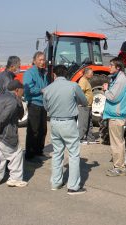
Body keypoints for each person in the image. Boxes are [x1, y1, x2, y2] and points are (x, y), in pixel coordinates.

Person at [43, 65, 88, 195]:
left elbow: (46, 107)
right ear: (66, 74)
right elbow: (84, 101)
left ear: (54, 75)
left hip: (54, 122)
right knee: (73, 154)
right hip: (68, 122)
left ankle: (56, 183)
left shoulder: (47, 89)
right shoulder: (73, 86)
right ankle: (73, 186)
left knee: (57, 153)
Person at [102, 57, 126, 177]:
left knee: (116, 143)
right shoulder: (119, 78)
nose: (109, 67)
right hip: (116, 115)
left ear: (118, 67)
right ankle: (120, 166)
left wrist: (105, 90)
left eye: (111, 65)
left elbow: (113, 97)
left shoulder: (120, 80)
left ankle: (119, 168)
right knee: (119, 141)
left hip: (116, 116)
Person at [23, 52, 49, 159]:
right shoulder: (30, 73)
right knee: (33, 130)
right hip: (34, 104)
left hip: (43, 105)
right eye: (40, 60)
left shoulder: (44, 73)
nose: (42, 62)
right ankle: (30, 154)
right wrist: (41, 90)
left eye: (44, 60)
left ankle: (39, 150)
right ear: (34, 60)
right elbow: (28, 88)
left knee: (43, 129)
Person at [78, 68, 98, 144]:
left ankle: (90, 138)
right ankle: (80, 139)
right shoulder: (83, 81)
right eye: (91, 73)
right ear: (86, 73)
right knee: (83, 123)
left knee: (89, 123)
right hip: (84, 106)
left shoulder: (86, 81)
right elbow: (80, 92)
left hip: (88, 106)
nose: (92, 74)